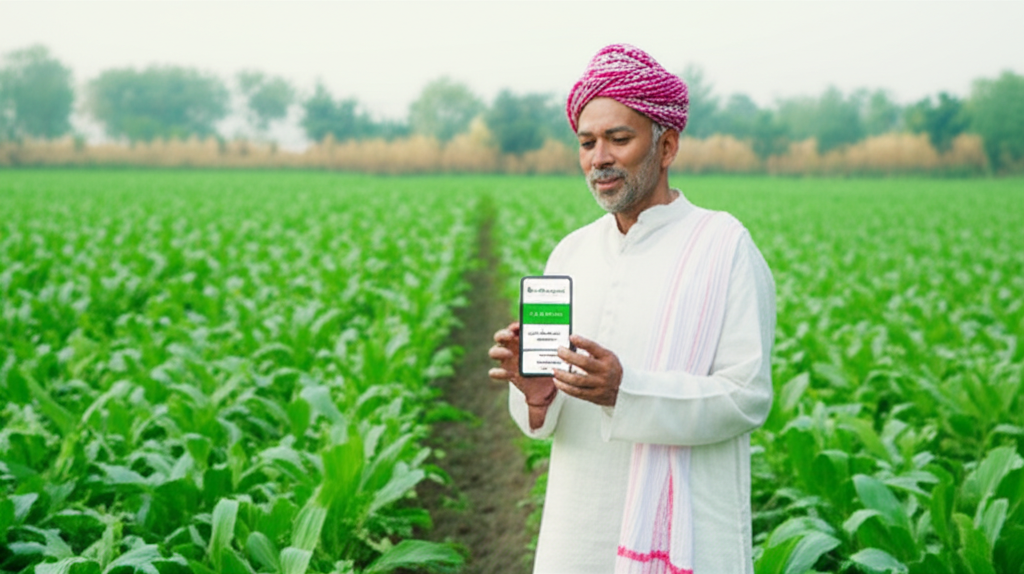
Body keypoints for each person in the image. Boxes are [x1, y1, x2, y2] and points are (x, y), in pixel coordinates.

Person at [488, 44, 776, 574]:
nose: (600, 157)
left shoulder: (723, 246)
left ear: (666, 146)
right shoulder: (569, 253)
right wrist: (534, 393)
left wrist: (627, 391)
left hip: (688, 533)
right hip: (579, 532)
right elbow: (546, 414)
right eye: (587, 142)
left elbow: (747, 396)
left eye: (619, 139)